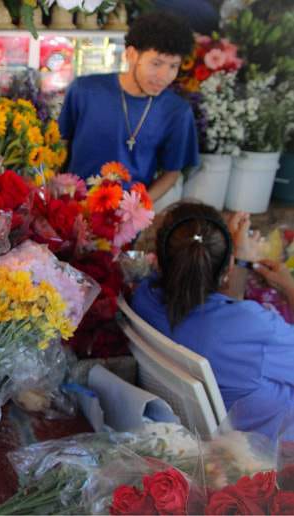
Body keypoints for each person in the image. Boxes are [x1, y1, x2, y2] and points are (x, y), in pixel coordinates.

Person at [132, 202, 294, 438]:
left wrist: (235, 262)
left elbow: (222, 317)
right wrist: (288, 286)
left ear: (158, 258)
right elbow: (233, 322)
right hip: (270, 443)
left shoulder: (144, 297)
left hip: (218, 429)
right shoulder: (255, 328)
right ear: (227, 267)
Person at [58, 12, 198, 202]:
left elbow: (171, 173)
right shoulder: (84, 90)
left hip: (127, 217)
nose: (164, 76)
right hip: (71, 204)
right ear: (131, 55)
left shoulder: (177, 112)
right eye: (156, 64)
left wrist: (137, 209)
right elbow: (60, 145)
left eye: (173, 66)